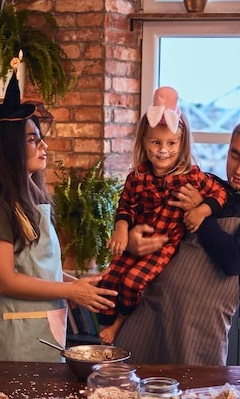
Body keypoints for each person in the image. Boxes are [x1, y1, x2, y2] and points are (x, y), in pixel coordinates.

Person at [0, 70, 117, 362]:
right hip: (10, 339)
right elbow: (4, 280)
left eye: (40, 138)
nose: (43, 146)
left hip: (39, 332)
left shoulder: (30, 198)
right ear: (8, 148)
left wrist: (79, 284)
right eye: (33, 139)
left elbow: (38, 271)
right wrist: (70, 291)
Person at [113, 118, 240, 365]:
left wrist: (199, 211)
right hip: (149, 310)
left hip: (200, 328)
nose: (239, 168)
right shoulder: (206, 186)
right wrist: (131, 238)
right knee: (122, 393)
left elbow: (233, 260)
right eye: (235, 155)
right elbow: (148, 219)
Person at [97, 86, 228, 344]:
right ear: (144, 142)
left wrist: (202, 209)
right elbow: (125, 207)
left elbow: (221, 194)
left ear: (182, 143)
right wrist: (122, 229)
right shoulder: (137, 177)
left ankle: (120, 323)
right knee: (108, 280)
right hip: (136, 242)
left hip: (164, 246)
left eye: (171, 143)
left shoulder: (191, 176)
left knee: (133, 282)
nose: (163, 150)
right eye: (156, 142)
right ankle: (107, 323)